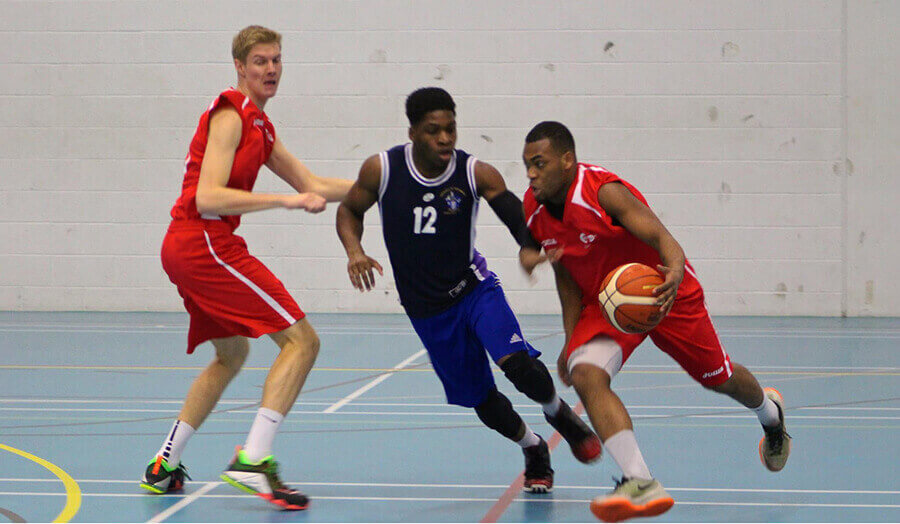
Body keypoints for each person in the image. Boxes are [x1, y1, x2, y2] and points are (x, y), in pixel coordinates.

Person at [519, 121, 791, 522]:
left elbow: (661, 236)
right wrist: (571, 338)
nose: (531, 173)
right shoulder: (535, 208)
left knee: (719, 378)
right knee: (585, 373)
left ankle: (770, 414)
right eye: (526, 164)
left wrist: (675, 269)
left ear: (567, 160)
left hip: (662, 288)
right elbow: (567, 275)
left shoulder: (602, 192)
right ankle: (640, 482)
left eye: (539, 163)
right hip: (609, 304)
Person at [335, 88, 601, 493]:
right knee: (484, 401)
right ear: (412, 133)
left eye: (451, 129)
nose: (445, 139)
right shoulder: (383, 169)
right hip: (428, 311)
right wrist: (354, 251)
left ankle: (556, 411)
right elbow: (349, 210)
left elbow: (512, 211)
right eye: (433, 131)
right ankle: (533, 447)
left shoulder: (474, 172)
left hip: (473, 290)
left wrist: (529, 247)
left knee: (519, 366)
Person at [139, 26, 352, 511]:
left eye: (276, 60)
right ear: (240, 66)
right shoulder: (230, 114)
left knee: (231, 355)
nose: (271, 69)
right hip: (203, 241)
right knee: (302, 341)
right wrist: (286, 201)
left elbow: (312, 182)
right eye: (260, 61)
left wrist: (380, 185)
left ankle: (164, 463)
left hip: (189, 247)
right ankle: (253, 459)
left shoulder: (261, 126)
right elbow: (208, 197)